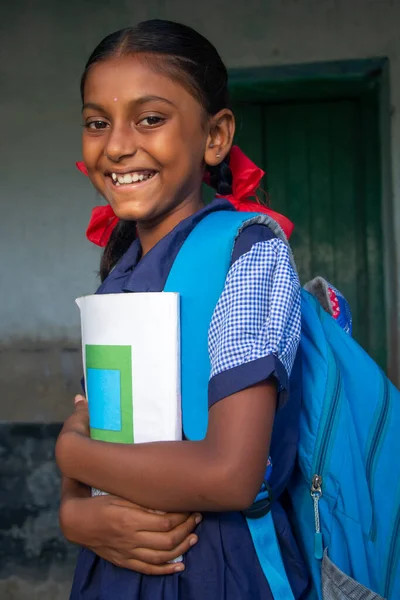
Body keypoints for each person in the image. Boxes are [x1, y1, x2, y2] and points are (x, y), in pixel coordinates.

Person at [56, 19, 309, 599]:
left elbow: (230, 475)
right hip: (113, 568)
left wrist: (70, 452)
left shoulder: (248, 251)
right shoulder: (117, 275)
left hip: (218, 569)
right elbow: (98, 425)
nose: (117, 144)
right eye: (98, 123)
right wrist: (75, 515)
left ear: (215, 136)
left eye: (150, 118)